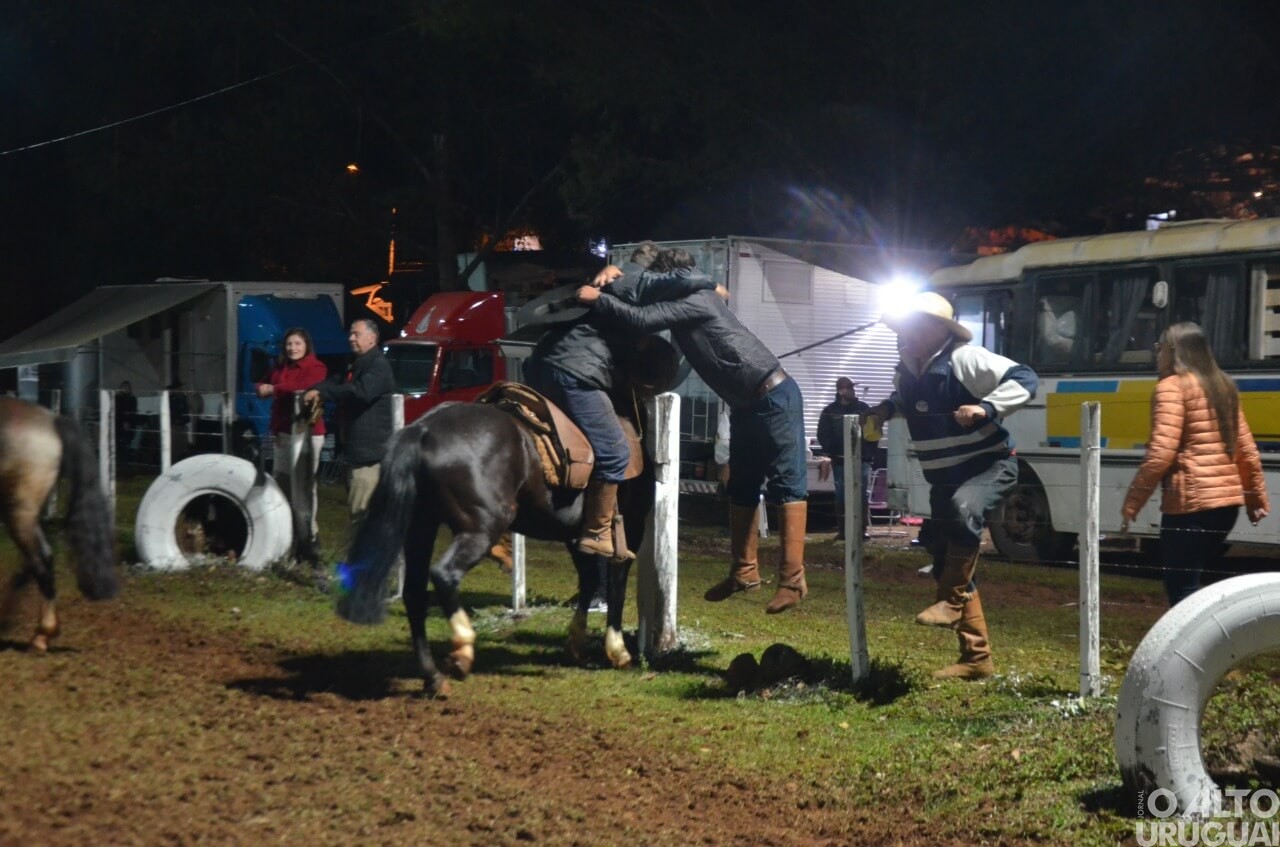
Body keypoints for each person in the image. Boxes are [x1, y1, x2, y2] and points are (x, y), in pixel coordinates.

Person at [579, 248, 811, 614]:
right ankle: (745, 571)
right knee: (742, 486)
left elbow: (641, 319)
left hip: (774, 397)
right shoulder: (692, 304)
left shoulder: (694, 300)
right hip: (747, 404)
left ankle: (792, 581)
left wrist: (599, 300)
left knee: (787, 484)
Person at [864, 291, 1038, 679]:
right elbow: (902, 399)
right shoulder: (906, 371)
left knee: (963, 511)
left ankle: (951, 603)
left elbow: (1025, 377)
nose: (904, 334)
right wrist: (884, 410)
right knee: (941, 550)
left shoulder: (964, 359)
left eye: (911, 327)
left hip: (991, 466)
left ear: (936, 330)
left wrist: (987, 407)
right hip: (946, 478)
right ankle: (976, 658)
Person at [523, 241, 716, 562]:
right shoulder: (643, 283)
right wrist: (712, 284)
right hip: (576, 372)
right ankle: (596, 531)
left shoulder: (614, 278)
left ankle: (605, 523)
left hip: (541, 364)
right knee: (614, 451)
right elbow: (686, 282)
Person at [1121, 321, 1269, 606]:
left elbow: (1160, 454)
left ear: (1174, 350)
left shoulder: (1170, 388)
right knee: (1195, 585)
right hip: (1226, 508)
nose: (1156, 353)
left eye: (1160, 346)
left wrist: (1132, 503)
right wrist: (1254, 499)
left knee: (1182, 591)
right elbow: (1247, 451)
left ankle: (1193, 649)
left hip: (1191, 506)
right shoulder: (1222, 385)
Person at [304, 319, 395, 530]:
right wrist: (317, 389)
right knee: (358, 510)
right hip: (356, 452)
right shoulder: (357, 364)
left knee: (361, 515)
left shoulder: (378, 366)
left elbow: (360, 392)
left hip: (370, 456)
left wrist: (323, 393)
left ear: (372, 338)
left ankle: (361, 562)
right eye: (351, 334)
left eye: (356, 334)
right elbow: (336, 381)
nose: (351, 338)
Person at [257, 327, 329, 542]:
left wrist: (273, 389)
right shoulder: (280, 367)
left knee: (305, 485)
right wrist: (262, 387)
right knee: (282, 482)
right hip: (282, 433)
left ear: (306, 345)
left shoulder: (316, 367)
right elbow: (262, 382)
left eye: (297, 343)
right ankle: (286, 531)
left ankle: (309, 532)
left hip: (308, 434)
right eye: (289, 344)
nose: (293, 348)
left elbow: (302, 386)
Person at [815, 376, 872, 540]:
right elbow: (823, 434)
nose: (853, 391)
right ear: (841, 391)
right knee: (841, 494)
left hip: (862, 459)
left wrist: (867, 452)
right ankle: (844, 530)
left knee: (861, 493)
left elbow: (872, 431)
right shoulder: (830, 411)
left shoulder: (863, 409)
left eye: (853, 388)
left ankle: (861, 530)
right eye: (849, 388)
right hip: (840, 459)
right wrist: (833, 450)